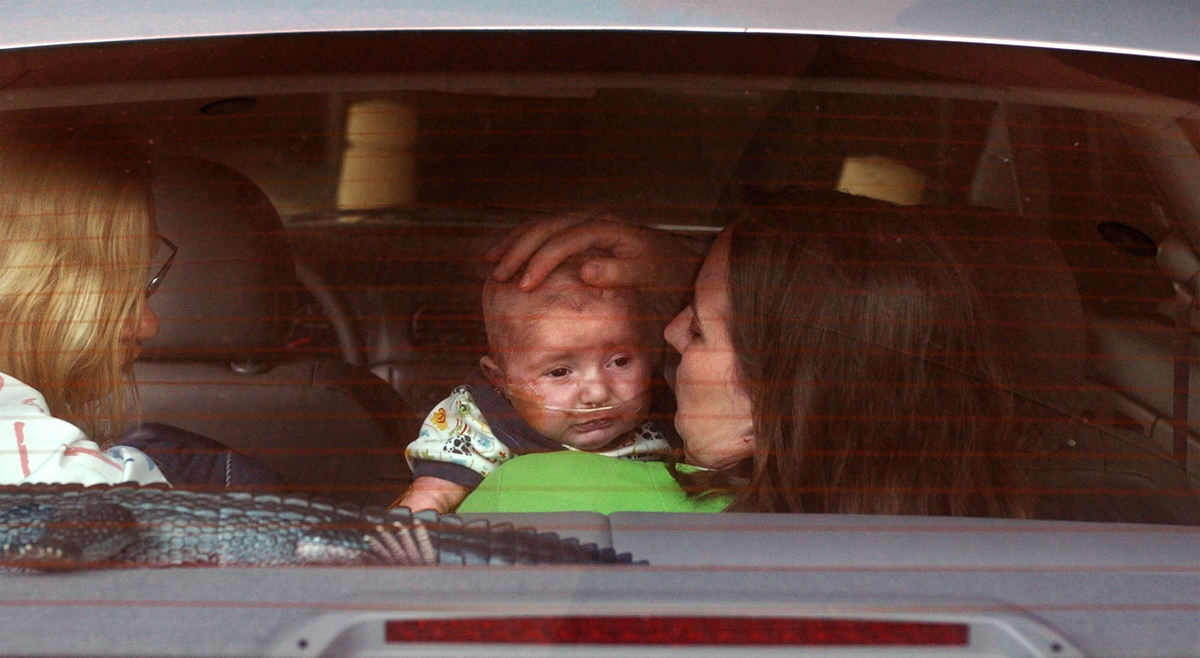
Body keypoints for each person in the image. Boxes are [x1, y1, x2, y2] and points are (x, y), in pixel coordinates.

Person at [458, 191, 1032, 517]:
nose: (672, 333)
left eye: (701, 328)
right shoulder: (1024, 527)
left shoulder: (546, 498)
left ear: (777, 393)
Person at [0, 146, 277, 488]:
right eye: (115, 286)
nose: (150, 325)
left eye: (143, 285)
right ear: (20, 284)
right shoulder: (84, 481)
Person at [393, 255, 677, 513]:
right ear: (501, 381)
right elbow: (428, 501)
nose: (597, 393)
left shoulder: (672, 413)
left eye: (620, 362)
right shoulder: (481, 426)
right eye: (559, 372)